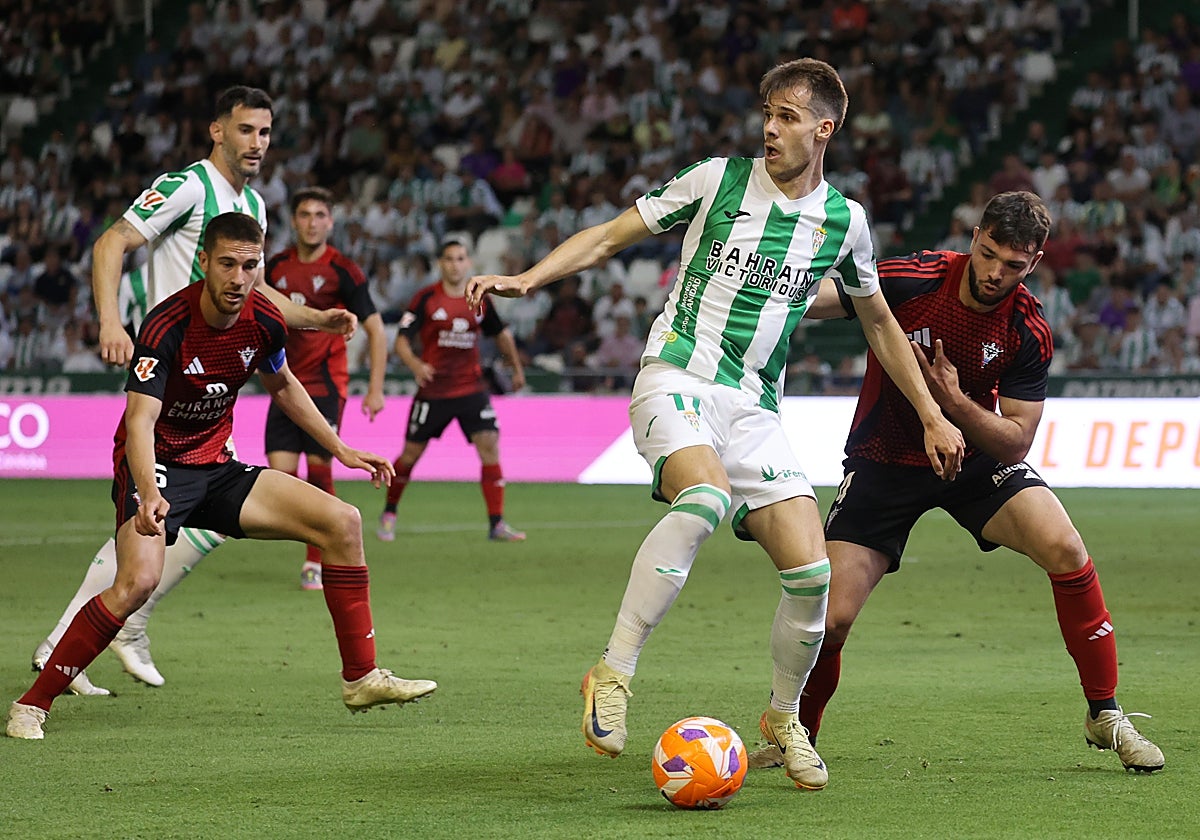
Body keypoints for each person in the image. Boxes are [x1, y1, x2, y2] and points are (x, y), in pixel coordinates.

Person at [466, 58, 964, 791]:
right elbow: (610, 235)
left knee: (813, 573)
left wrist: (931, 413)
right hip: (678, 377)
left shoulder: (844, 223)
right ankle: (614, 671)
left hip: (757, 410)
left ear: (824, 129)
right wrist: (528, 278)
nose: (770, 126)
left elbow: (880, 321)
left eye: (788, 116)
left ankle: (783, 717)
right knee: (700, 502)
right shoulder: (716, 181)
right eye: (768, 111)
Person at [749, 191, 1164, 777]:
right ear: (974, 237)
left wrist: (953, 405)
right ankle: (795, 732)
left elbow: (1016, 440)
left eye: (1014, 265)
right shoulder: (915, 278)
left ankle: (1106, 713)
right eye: (989, 253)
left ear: (1035, 262)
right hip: (885, 461)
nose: (996, 273)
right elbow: (824, 297)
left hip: (973, 464)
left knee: (1067, 548)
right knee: (832, 617)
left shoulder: (1027, 327)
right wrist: (764, 289)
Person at [6, 213, 435, 740]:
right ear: (205, 262)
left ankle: (362, 677)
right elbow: (139, 422)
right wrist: (148, 493)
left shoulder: (265, 319)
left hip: (217, 467)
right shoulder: (168, 326)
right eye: (227, 264)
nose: (238, 277)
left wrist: (341, 448)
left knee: (342, 522)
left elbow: (283, 386)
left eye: (250, 265)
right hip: (159, 466)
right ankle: (32, 703)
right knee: (137, 582)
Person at [30, 86, 356, 694]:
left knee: (190, 518)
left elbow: (258, 292)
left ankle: (110, 625)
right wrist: (109, 321)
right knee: (157, 513)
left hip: (218, 376)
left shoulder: (252, 205)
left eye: (265, 131)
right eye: (245, 130)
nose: (256, 142)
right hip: (165, 371)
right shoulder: (186, 187)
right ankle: (92, 634)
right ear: (217, 131)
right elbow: (111, 243)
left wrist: (319, 319)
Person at [263, 187, 388, 591]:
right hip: (282, 382)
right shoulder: (276, 266)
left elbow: (375, 328)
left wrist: (375, 388)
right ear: (294, 220)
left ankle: (315, 560)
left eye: (320, 215)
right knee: (280, 476)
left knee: (319, 470)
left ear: (330, 222)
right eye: (304, 214)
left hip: (325, 384)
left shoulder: (343, 271)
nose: (312, 222)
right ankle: (317, 537)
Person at [376, 240, 528, 544]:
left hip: (471, 388)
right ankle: (389, 512)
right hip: (434, 391)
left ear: (468, 263)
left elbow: (501, 335)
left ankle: (496, 522)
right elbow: (402, 340)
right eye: (449, 259)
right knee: (410, 455)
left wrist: (516, 369)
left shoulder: (481, 299)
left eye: (460, 259)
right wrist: (416, 365)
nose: (455, 265)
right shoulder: (425, 299)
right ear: (441, 264)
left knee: (490, 445)